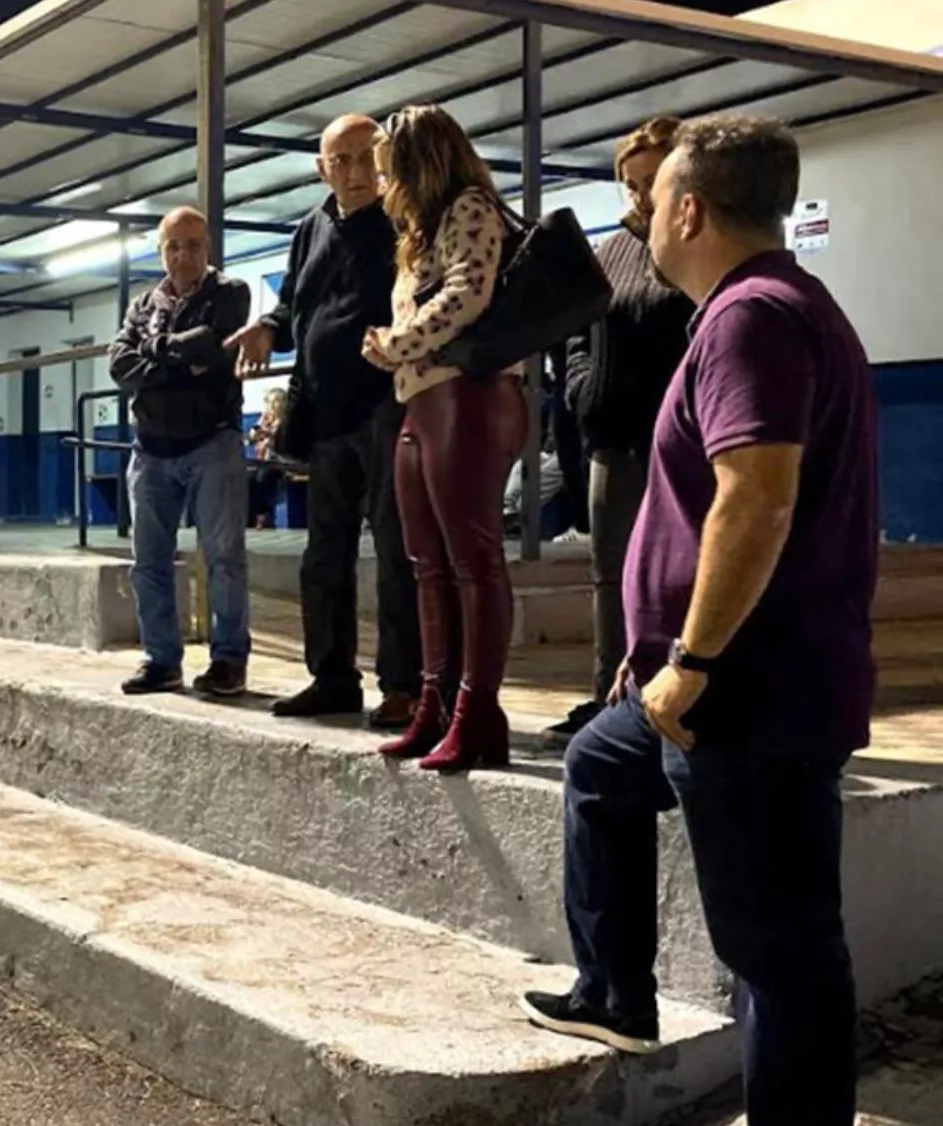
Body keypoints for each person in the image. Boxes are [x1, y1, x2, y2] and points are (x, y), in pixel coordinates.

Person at [520, 116, 877, 1126]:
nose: (638, 217)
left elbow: (754, 498)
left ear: (686, 207)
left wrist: (689, 657)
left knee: (779, 952)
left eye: (650, 198)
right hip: (709, 685)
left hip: (744, 693)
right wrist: (655, 659)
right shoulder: (764, 306)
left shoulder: (749, 318)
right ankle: (612, 991)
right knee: (598, 763)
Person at [229, 113, 421, 730]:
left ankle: (404, 684)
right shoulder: (310, 226)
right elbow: (294, 305)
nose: (358, 172)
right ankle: (332, 677)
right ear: (322, 168)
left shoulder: (404, 216)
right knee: (324, 553)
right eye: (342, 161)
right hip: (326, 414)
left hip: (387, 406)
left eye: (368, 157)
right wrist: (269, 328)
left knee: (395, 551)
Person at [363, 104, 524, 773]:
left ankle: (477, 712)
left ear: (415, 162)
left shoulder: (471, 208)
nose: (380, 185)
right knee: (426, 564)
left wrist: (395, 344)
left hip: (468, 398)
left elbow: (467, 295)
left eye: (385, 170)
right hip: (421, 402)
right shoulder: (421, 231)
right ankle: (434, 702)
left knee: (473, 561)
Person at [542, 117, 699, 748]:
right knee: (611, 575)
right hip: (611, 440)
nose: (639, 196)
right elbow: (582, 329)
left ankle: (676, 697)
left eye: (652, 181)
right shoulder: (613, 249)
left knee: (677, 575)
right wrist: (582, 384)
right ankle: (610, 698)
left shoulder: (691, 249)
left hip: (678, 446)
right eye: (630, 184)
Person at [108, 207, 254, 698]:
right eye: (173, 245)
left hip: (212, 443)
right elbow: (119, 364)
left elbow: (211, 350)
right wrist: (174, 358)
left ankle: (229, 660)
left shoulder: (230, 293)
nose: (183, 255)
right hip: (149, 451)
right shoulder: (142, 304)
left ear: (208, 247)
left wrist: (152, 354)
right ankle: (162, 661)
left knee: (224, 558)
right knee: (148, 562)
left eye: (193, 244)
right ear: (160, 251)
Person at [245, 387, 285, 529]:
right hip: (262, 460)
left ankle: (264, 516)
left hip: (279, 461)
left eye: (272, 402)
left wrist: (269, 435)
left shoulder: (285, 419)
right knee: (248, 478)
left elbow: (283, 440)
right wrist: (256, 433)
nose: (269, 406)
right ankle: (256, 515)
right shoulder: (265, 418)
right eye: (268, 402)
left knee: (263, 477)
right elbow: (252, 434)